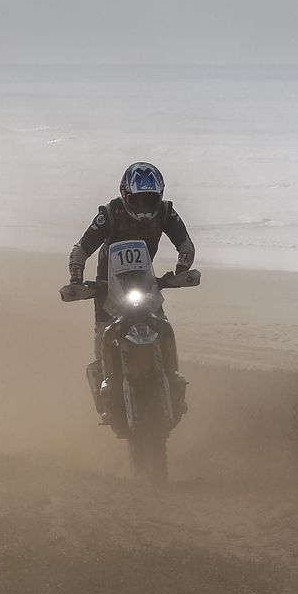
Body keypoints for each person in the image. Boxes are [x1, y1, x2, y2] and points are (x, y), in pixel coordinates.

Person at [67, 162, 195, 426]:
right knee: (103, 335)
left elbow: (185, 243)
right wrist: (77, 278)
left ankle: (172, 378)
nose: (144, 206)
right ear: (126, 195)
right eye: (138, 199)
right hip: (108, 288)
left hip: (145, 285)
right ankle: (106, 392)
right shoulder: (110, 214)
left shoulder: (166, 212)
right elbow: (82, 247)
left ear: (159, 196)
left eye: (150, 199)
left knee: (165, 327)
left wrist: (181, 268)